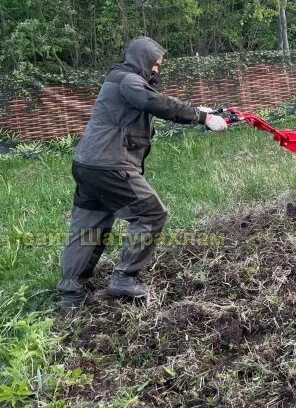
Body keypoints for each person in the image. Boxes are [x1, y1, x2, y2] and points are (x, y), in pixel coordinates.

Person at [57, 36, 228, 310]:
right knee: (151, 213)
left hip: (88, 164)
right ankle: (124, 277)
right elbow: (156, 102)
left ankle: (71, 293)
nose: (157, 69)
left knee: (89, 227)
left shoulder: (119, 80)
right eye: (155, 64)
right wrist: (203, 118)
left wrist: (199, 111)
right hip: (110, 164)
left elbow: (156, 100)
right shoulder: (128, 81)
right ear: (142, 60)